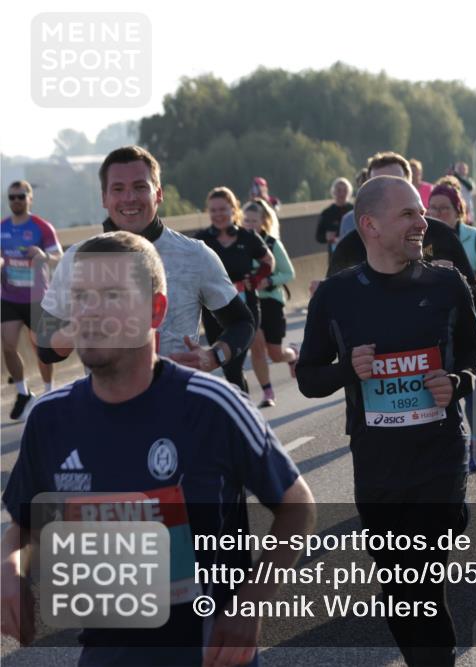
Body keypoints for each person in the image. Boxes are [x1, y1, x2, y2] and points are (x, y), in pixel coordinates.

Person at [1, 231, 315, 666]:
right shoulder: (50, 418)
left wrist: (249, 604)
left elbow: (297, 507)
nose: (90, 311)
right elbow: (23, 521)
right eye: (80, 297)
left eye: (111, 295)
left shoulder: (213, 406)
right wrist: (10, 569)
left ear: (156, 310)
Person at [297, 175, 476, 666]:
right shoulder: (336, 296)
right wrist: (346, 371)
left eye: (422, 213)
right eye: (409, 215)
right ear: (370, 225)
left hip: (440, 457)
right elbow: (309, 378)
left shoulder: (446, 283)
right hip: (377, 466)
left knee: (422, 579)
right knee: (398, 588)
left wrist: (458, 381)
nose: (423, 222)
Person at [37, 146, 256, 380]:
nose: (129, 198)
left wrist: (213, 357)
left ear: (158, 193)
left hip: (176, 402)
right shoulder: (78, 257)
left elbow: (242, 322)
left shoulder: (195, 254)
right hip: (108, 406)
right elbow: (46, 349)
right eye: (118, 189)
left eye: (140, 187)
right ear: (104, 198)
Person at [327, 152, 476, 311]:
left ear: (412, 186)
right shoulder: (349, 247)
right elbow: (331, 308)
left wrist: (455, 285)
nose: (389, 190)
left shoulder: (440, 234)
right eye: (379, 184)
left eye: (398, 182)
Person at [427, 179, 476, 471]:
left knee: (471, 389)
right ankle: (453, 444)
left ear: (458, 210)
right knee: (443, 386)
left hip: (473, 323)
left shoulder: (472, 237)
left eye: (444, 208)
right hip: (435, 327)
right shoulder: (421, 237)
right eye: (432, 208)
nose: (437, 213)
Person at [194, 187, 275, 393]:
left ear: (234, 209)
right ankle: (243, 408)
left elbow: (269, 262)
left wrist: (256, 278)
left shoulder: (247, 237)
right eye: (213, 210)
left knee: (233, 363)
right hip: (214, 312)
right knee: (230, 369)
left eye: (223, 209)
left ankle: (242, 413)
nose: (218, 214)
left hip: (244, 311)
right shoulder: (201, 240)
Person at [1, 180, 62, 420]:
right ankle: (23, 393)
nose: (16, 201)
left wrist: (43, 255)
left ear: (30, 198)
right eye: (12, 197)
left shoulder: (41, 227)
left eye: (20, 196)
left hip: (37, 297)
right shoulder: (2, 228)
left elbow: (59, 256)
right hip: (8, 295)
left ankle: (49, 393)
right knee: (7, 344)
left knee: (42, 349)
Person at [244, 198, 298, 408]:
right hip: (249, 302)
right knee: (257, 348)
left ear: (263, 221)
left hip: (271, 301)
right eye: (246, 220)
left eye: (254, 220)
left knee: (275, 354)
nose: (250, 224)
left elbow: (289, 273)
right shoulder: (238, 245)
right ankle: (268, 392)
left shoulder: (272, 244)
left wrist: (269, 280)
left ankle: (293, 354)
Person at [315, 177, 354, 274]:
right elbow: (318, 237)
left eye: (345, 190)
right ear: (333, 192)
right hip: (335, 259)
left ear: (349, 192)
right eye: (339, 190)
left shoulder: (355, 210)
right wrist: (326, 237)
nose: (341, 193)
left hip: (354, 258)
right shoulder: (327, 213)